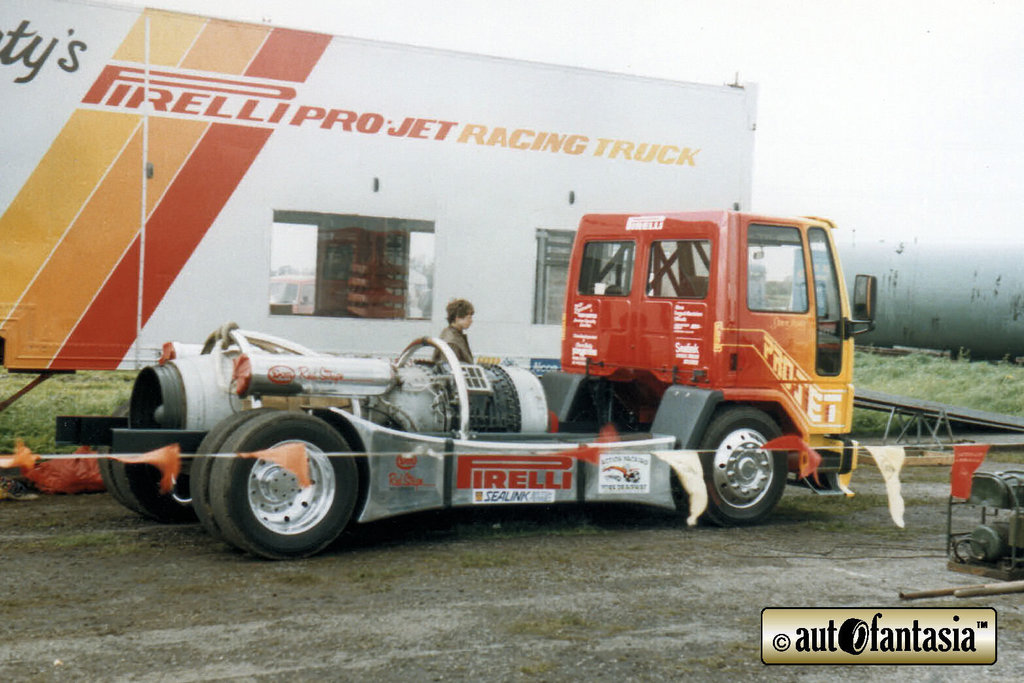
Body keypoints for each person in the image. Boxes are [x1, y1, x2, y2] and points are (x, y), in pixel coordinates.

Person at [434, 298, 474, 364]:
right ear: (457, 318)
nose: (471, 321)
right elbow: (450, 369)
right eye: (469, 318)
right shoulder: (452, 341)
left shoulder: (448, 334)